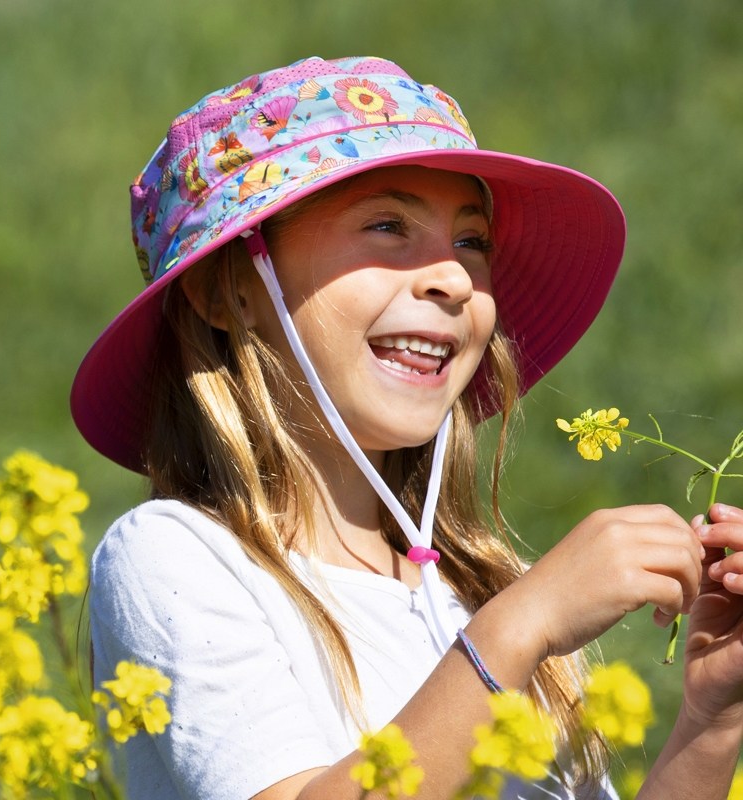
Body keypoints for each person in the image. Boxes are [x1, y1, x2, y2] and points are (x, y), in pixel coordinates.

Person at [71, 56, 743, 799]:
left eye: (472, 242)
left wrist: (711, 723)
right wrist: (518, 629)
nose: (454, 279)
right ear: (229, 291)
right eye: (388, 226)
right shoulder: (177, 557)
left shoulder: (477, 591)